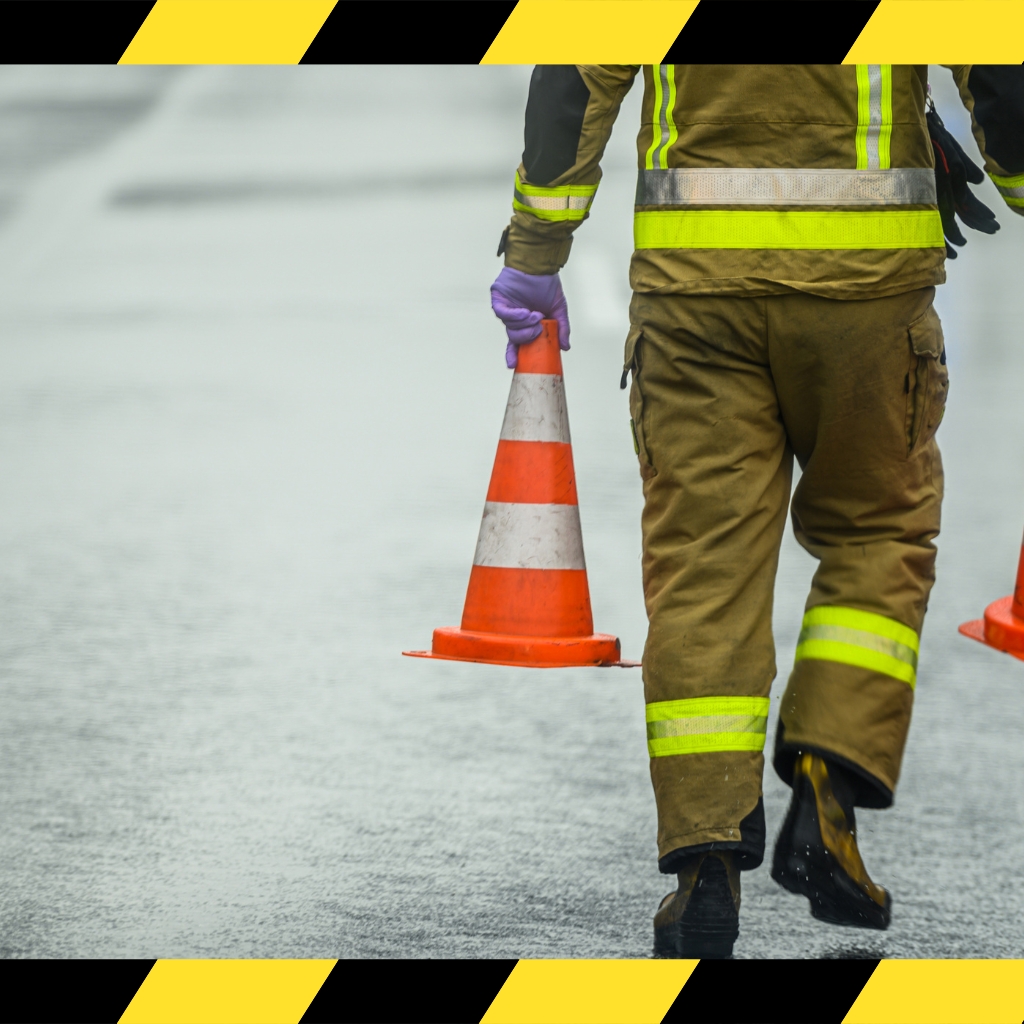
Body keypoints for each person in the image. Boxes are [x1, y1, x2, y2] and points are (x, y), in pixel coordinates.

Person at [490, 65, 1024, 958]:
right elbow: (999, 73)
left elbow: (578, 74)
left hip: (693, 296)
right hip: (867, 293)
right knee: (878, 533)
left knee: (703, 567)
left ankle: (704, 870)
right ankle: (827, 784)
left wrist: (535, 250)